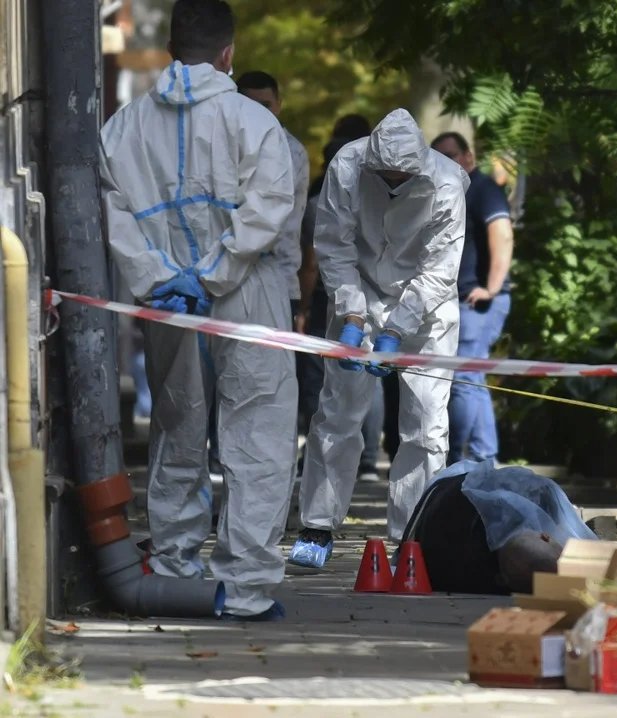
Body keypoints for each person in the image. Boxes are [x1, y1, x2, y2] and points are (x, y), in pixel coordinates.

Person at [99, 0, 297, 620]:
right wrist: (216, 273)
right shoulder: (254, 122)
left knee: (177, 427)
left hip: (170, 303)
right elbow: (269, 207)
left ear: (169, 49)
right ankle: (246, 589)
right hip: (248, 295)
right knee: (258, 430)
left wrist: (163, 279)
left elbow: (111, 213)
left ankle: (176, 571)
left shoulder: (124, 127)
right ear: (228, 53)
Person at [290, 108, 469, 567]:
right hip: (360, 292)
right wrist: (352, 313)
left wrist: (394, 331)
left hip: (426, 310)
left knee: (426, 423)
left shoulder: (447, 182)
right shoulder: (348, 166)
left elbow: (439, 270)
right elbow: (334, 244)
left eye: (401, 178)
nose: (392, 184)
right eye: (385, 176)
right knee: (337, 413)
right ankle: (317, 525)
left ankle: (413, 536)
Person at [296, 115, 385, 481]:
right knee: (370, 374)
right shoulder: (383, 197)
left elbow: (312, 262)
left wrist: (303, 307)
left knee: (324, 380)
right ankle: (369, 459)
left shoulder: (319, 200)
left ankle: (327, 456)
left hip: (329, 300)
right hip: (375, 296)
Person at [429, 132, 514, 465]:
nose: (444, 163)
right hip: (461, 301)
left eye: (450, 156)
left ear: (468, 157)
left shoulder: (482, 189)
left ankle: (456, 458)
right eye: (437, 157)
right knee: (471, 377)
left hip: (478, 302)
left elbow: (502, 235)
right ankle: (483, 456)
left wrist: (491, 288)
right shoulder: (448, 192)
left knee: (464, 378)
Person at [236, 71, 310, 318]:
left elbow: (270, 218)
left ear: (279, 105)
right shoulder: (226, 144)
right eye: (251, 105)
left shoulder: (292, 151)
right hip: (229, 279)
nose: (259, 112)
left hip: (280, 278)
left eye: (266, 105)